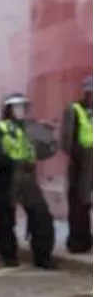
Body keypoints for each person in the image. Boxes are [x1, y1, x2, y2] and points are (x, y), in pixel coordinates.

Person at [0, 92, 57, 269]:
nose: (20, 111)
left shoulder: (32, 127)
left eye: (23, 107)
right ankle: (8, 254)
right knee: (6, 219)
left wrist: (48, 134)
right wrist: (10, 162)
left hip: (28, 176)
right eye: (16, 107)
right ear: (7, 109)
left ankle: (43, 256)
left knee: (41, 216)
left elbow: (49, 149)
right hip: (6, 176)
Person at [60, 76, 94, 254]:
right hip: (81, 162)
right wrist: (78, 155)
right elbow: (66, 139)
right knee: (79, 202)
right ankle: (79, 241)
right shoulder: (74, 110)